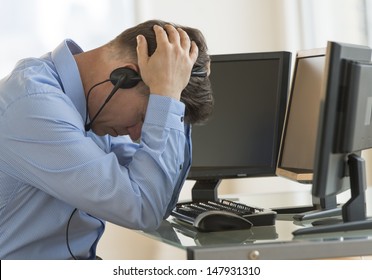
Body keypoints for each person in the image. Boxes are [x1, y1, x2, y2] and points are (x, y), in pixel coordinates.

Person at [0, 19, 213, 259]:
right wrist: (166, 98)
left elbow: (157, 193)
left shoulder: (86, 107)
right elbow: (144, 208)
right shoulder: (35, 106)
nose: (137, 135)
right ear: (123, 77)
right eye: (143, 117)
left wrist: (176, 93)